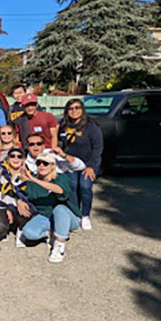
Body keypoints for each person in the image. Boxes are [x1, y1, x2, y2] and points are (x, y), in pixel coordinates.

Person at [18, 151, 82, 263]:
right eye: (39, 163)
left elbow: (60, 190)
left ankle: (60, 243)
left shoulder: (61, 177)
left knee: (59, 209)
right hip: (46, 216)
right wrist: (19, 200)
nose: (41, 166)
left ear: (53, 166)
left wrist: (35, 180)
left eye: (45, 163)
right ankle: (51, 232)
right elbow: (22, 193)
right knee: (28, 233)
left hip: (67, 216)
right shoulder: (30, 179)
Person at [58, 98, 103, 231]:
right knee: (71, 186)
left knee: (85, 186)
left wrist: (90, 166)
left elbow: (98, 147)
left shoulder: (91, 125)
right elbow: (61, 142)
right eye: (71, 108)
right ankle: (76, 213)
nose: (74, 111)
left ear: (82, 110)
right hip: (71, 161)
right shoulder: (64, 125)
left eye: (77, 108)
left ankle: (85, 215)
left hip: (88, 161)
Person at [0, 147, 30, 245]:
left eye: (19, 156)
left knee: (27, 211)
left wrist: (15, 204)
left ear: (23, 159)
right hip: (0, 204)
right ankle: (6, 227)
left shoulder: (28, 174)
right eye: (12, 156)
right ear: (7, 158)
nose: (16, 159)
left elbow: (26, 195)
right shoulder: (2, 170)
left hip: (18, 206)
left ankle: (20, 230)